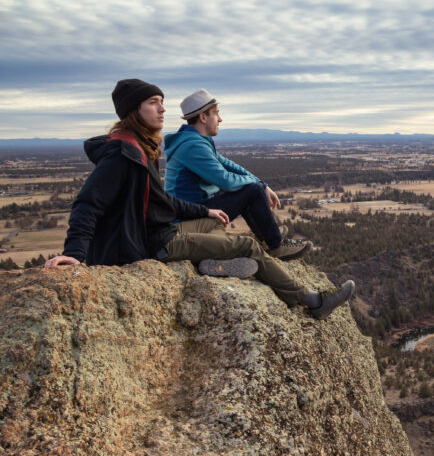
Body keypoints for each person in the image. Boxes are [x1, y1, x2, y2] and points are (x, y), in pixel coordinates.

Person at [44, 79, 354, 321]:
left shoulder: (140, 148)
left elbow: (162, 200)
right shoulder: (121, 154)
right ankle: (313, 302)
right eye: (153, 103)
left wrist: (206, 210)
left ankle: (215, 261)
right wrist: (74, 253)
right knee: (247, 245)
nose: (162, 109)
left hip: (163, 229)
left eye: (162, 102)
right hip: (156, 243)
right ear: (133, 111)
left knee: (215, 224)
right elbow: (88, 204)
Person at [163, 88, 310, 261]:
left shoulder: (195, 140)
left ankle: (266, 236)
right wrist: (257, 186)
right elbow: (226, 181)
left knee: (251, 188)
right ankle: (275, 245)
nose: (220, 119)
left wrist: (262, 184)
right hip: (188, 217)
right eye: (216, 114)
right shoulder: (193, 146)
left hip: (196, 207)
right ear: (203, 117)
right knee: (251, 191)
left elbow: (229, 165)